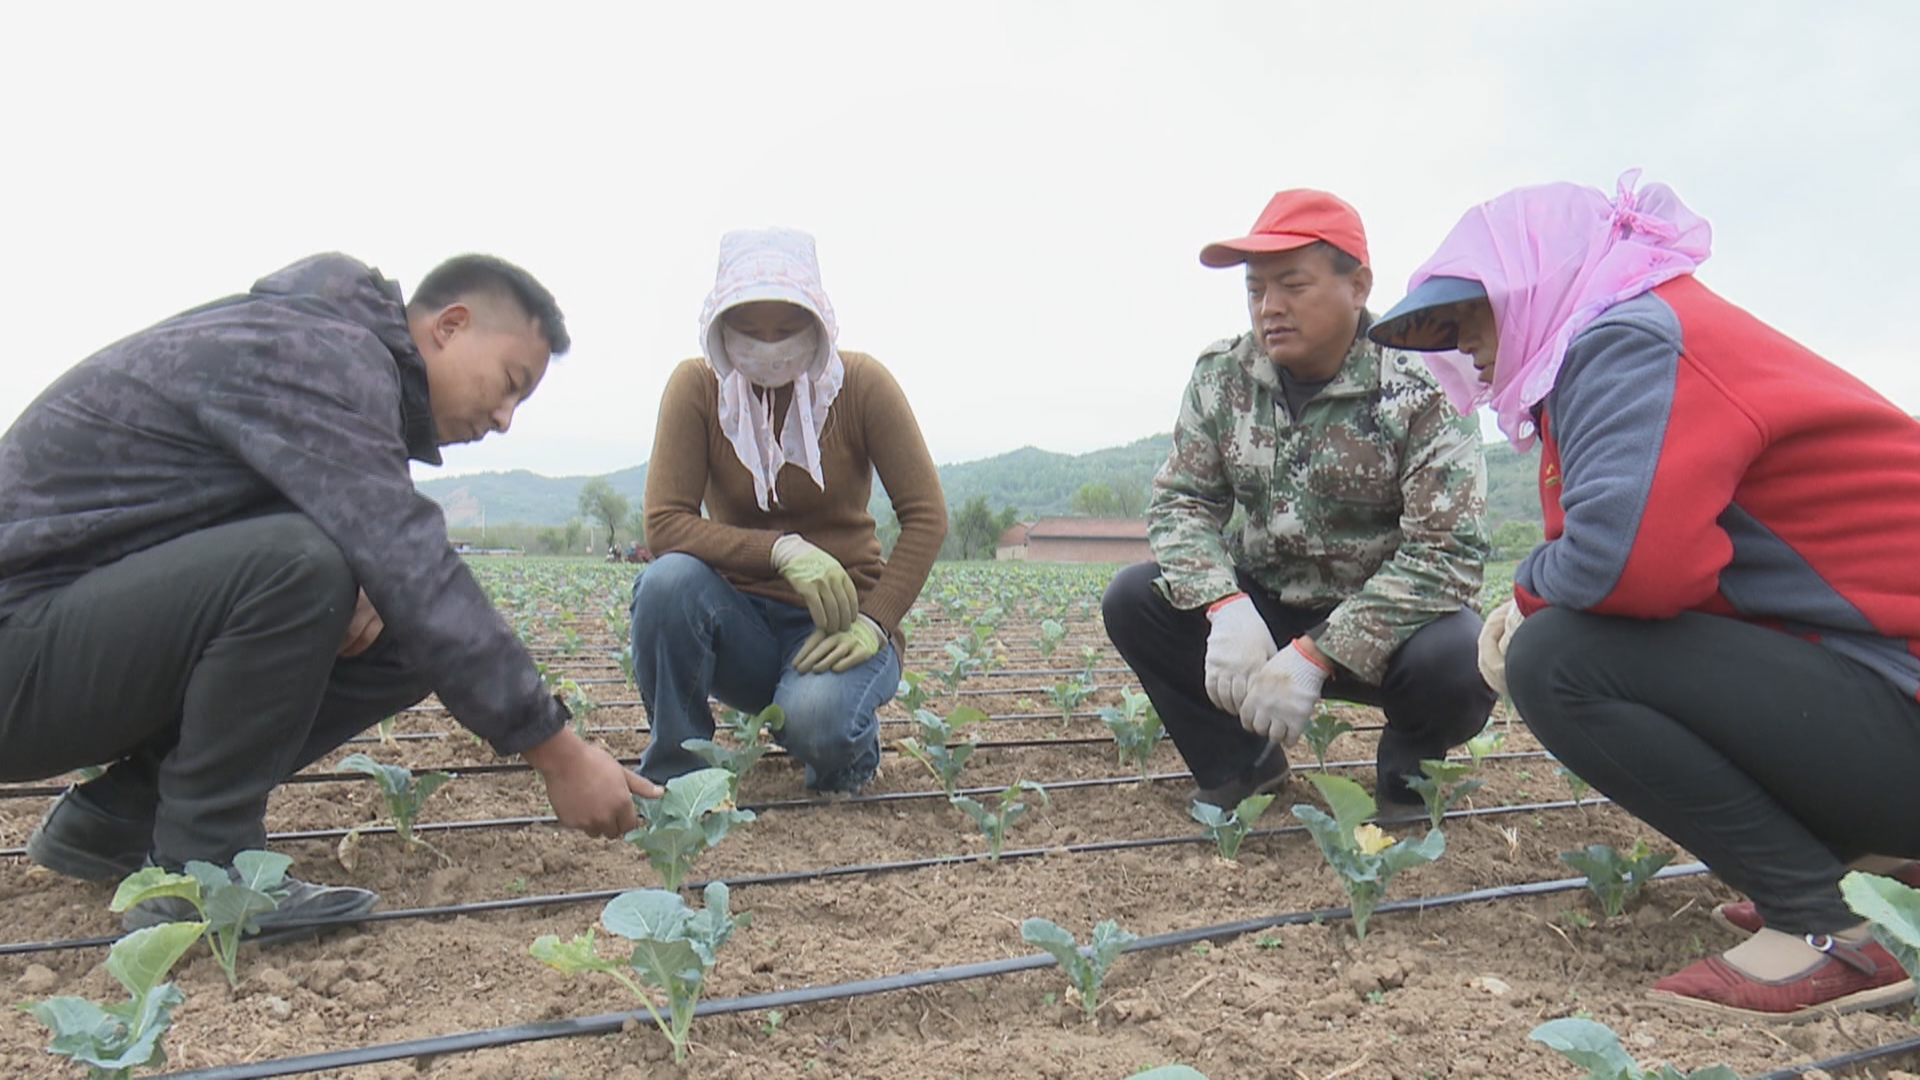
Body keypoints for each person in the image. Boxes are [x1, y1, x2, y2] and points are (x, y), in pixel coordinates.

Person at [1369, 170, 1920, 1020]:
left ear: (1538, 287)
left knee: (1560, 658)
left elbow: (1628, 567)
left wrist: (1524, 599)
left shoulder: (1628, 341)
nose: (1465, 348)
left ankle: (1828, 926)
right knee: (1580, 635)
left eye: (1470, 318)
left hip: (1899, 693)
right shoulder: (1642, 336)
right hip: (1883, 684)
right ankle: (1883, 878)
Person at [0, 253, 658, 934]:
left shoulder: (321, 358)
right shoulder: (324, 355)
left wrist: (364, 568)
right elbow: (410, 559)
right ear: (451, 326)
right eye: (509, 384)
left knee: (393, 628)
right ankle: (204, 867)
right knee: (301, 565)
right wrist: (557, 751)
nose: (503, 418)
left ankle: (115, 820)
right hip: (18, 648)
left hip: (56, 643)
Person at [1103, 189, 1496, 814]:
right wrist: (1226, 605)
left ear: (1358, 285)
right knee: (1134, 600)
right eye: (1255, 290)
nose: (1270, 308)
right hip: (1264, 615)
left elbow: (1447, 553)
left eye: (1293, 285)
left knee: (1458, 656)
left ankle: (1406, 788)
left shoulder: (1423, 386)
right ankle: (1243, 767)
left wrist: (1319, 652)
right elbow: (1181, 503)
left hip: (1387, 630)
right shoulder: (1223, 377)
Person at [632, 228, 946, 792]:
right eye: (749, 329)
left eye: (787, 328)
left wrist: (876, 621)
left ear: (817, 322)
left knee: (819, 721)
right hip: (738, 620)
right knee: (665, 583)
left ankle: (844, 750)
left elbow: (925, 515)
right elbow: (664, 523)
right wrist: (778, 549)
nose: (768, 345)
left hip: (836, 622)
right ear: (720, 326)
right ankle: (679, 782)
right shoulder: (696, 389)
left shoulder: (862, 385)